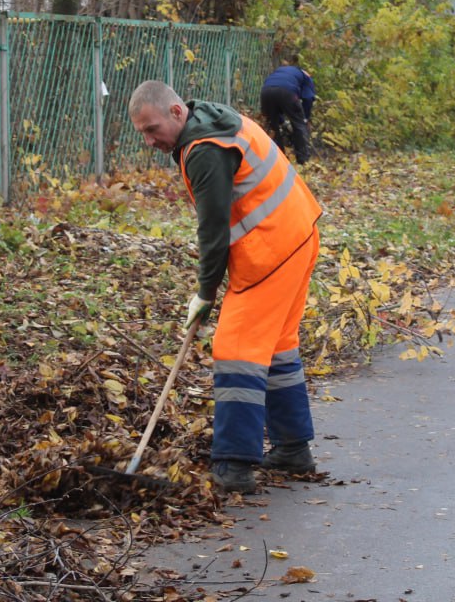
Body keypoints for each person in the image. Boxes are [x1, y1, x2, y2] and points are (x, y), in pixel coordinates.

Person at [128, 80, 322, 494]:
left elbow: (212, 231)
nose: (149, 141)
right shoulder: (212, 120)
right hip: (299, 233)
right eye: (142, 133)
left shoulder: (205, 150)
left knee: (236, 350)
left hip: (271, 250)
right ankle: (293, 448)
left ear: (176, 112)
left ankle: (234, 465)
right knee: (276, 346)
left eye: (152, 129)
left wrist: (205, 292)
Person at [260, 57, 316, 164]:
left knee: (273, 126)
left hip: (265, 91)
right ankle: (303, 160)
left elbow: (276, 97)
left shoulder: (280, 71)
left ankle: (279, 160)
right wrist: (305, 118)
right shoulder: (306, 77)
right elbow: (308, 98)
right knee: (299, 125)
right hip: (287, 92)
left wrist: (281, 121)